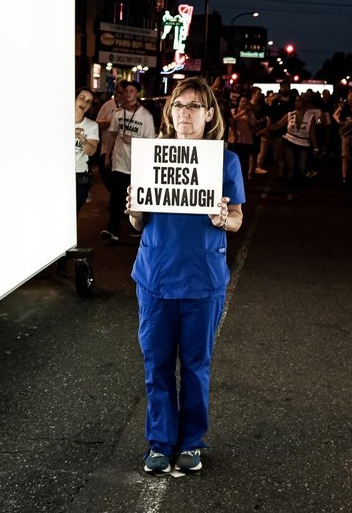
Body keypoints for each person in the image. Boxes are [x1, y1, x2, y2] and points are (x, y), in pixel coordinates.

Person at [124, 76, 246, 475]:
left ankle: (191, 441)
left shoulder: (224, 161)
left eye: (195, 106)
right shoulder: (153, 156)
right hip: (156, 277)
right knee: (156, 365)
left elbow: (238, 220)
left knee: (195, 365)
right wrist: (133, 209)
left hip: (201, 280)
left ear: (209, 114)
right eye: (179, 105)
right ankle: (159, 443)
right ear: (169, 112)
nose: (186, 113)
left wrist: (223, 216)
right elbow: (139, 222)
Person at [102, 81, 156, 241]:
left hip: (137, 164)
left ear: (137, 93)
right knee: (116, 197)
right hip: (119, 160)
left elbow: (150, 142)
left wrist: (133, 140)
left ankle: (135, 228)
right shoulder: (118, 113)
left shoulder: (146, 116)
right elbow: (112, 134)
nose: (128, 93)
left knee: (135, 197)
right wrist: (107, 155)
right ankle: (113, 230)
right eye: (126, 90)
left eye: (131, 90)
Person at [280, 91, 320, 200]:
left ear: (304, 103)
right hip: (290, 142)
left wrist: (316, 148)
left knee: (302, 168)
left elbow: (312, 133)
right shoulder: (290, 114)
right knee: (291, 167)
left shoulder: (310, 116)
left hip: (303, 144)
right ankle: (290, 190)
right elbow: (278, 125)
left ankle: (297, 188)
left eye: (298, 101)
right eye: (296, 101)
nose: (296, 103)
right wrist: (267, 128)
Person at [74, 87, 100, 212]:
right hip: (57, 174)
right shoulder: (57, 120)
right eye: (82, 98)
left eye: (88, 102)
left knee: (71, 215)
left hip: (79, 177)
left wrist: (83, 140)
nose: (84, 103)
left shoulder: (91, 126)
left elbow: (91, 151)